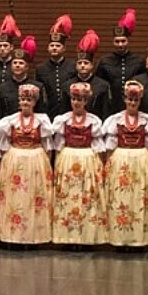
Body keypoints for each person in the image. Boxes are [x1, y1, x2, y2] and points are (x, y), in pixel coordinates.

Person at [102, 80, 148, 247]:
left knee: (139, 197)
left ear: (140, 101)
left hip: (141, 159)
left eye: (135, 100)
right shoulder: (116, 120)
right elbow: (110, 146)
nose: (132, 103)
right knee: (121, 197)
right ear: (125, 99)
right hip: (121, 160)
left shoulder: (147, 120)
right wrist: (108, 165)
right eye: (129, 99)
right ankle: (120, 238)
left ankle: (139, 239)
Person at [0, 85, 54, 245]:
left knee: (34, 197)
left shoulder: (42, 121)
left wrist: (45, 166)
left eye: (29, 100)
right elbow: (4, 143)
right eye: (23, 99)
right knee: (16, 198)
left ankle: (33, 236)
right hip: (16, 160)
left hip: (35, 160)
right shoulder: (11, 121)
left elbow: (48, 146)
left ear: (34, 102)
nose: (25, 103)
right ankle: (12, 236)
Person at [50, 83, 106, 246]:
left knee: (86, 198)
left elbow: (98, 147)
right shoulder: (63, 120)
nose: (76, 102)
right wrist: (58, 167)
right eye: (74, 99)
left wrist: (99, 168)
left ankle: (85, 237)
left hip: (87, 160)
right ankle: (67, 238)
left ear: (86, 101)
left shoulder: (94, 121)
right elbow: (58, 146)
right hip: (68, 160)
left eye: (80, 99)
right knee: (67, 197)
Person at [94, 11, 146, 118]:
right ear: (113, 42)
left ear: (128, 41)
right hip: (112, 106)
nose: (120, 44)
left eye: (123, 41)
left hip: (134, 106)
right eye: (117, 41)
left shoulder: (139, 61)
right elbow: (99, 84)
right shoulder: (105, 61)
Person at [34, 17, 74, 120]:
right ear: (48, 48)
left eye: (57, 45)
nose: (54, 48)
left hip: (69, 111)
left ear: (64, 48)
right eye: (52, 45)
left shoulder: (72, 66)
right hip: (48, 112)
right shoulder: (41, 68)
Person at [0, 39, 41, 119]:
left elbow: (41, 112)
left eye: (21, 63)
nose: (17, 65)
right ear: (11, 66)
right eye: (15, 63)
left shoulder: (37, 87)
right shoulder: (2, 88)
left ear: (26, 67)